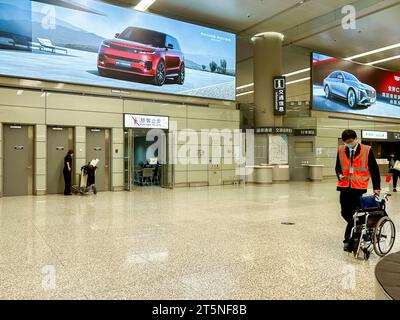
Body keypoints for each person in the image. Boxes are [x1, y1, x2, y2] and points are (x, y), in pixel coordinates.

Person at [335, 130, 381, 252]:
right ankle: (361, 228)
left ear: (356, 139)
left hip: (358, 187)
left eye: (350, 141)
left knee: (355, 213)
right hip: (344, 186)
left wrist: (377, 187)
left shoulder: (366, 150)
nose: (349, 144)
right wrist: (339, 175)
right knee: (345, 213)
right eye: (346, 142)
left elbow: (374, 169)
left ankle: (347, 241)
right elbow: (338, 167)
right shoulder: (341, 150)